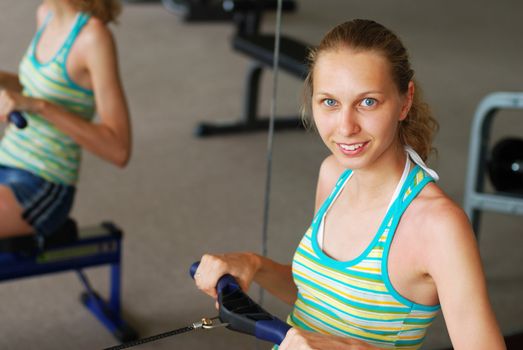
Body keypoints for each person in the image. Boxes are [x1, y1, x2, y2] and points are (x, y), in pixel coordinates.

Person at [193, 19, 506, 349]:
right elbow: (319, 297)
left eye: (367, 102)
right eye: (329, 102)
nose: (345, 127)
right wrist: (253, 265)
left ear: (405, 100)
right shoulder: (334, 174)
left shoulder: (438, 225)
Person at [0, 0, 130, 238]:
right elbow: (39, 86)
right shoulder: (46, 13)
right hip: (6, 160)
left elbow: (118, 149)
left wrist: (38, 106)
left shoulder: (93, 38)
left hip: (42, 183)